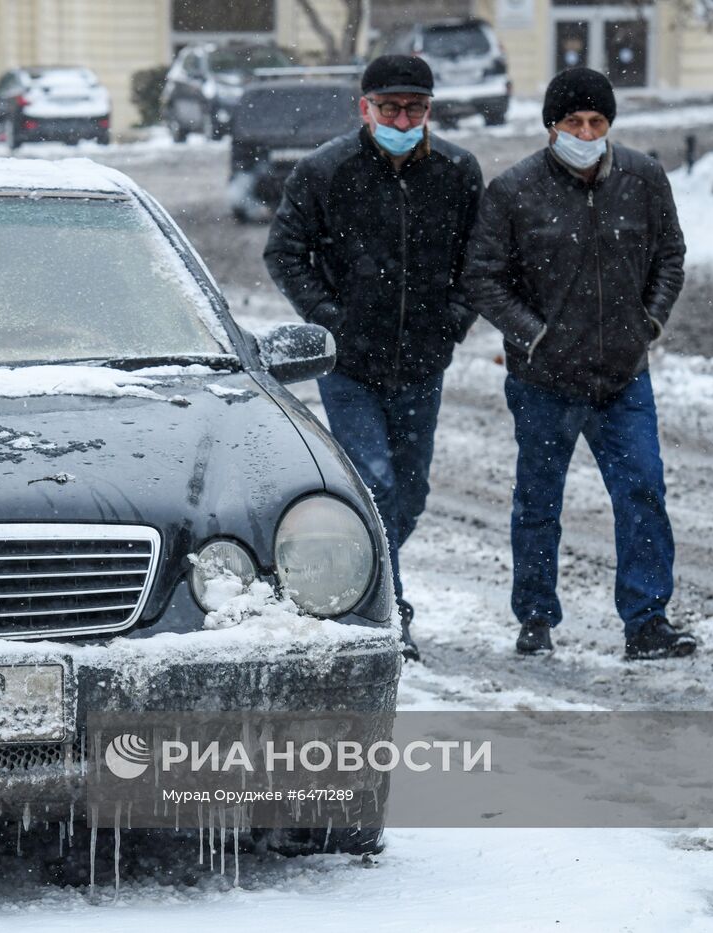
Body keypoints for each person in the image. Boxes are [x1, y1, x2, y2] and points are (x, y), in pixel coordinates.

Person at [463, 67, 695, 660]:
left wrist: (650, 322)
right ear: (551, 128)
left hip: (623, 376)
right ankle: (536, 617)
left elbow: (670, 255)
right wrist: (534, 336)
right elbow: (484, 279)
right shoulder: (513, 191)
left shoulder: (642, 178)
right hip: (545, 380)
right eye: (573, 121)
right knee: (539, 501)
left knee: (642, 490)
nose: (586, 132)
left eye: (596, 121)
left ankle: (647, 621)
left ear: (609, 124)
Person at [264, 55, 484, 662]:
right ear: (365, 108)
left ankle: (368, 575)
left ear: (429, 110)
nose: (402, 118)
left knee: (410, 492)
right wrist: (331, 318)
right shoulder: (325, 170)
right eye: (389, 107)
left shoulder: (458, 171)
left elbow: (480, 257)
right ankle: (390, 612)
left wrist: (453, 322)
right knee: (376, 485)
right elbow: (285, 252)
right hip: (350, 366)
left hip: (422, 361)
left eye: (414, 107)